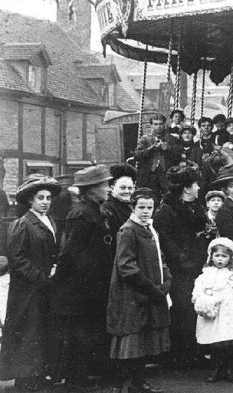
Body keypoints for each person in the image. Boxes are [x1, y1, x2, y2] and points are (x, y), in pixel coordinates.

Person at [51, 165, 114, 390]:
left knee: (87, 334)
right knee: (80, 336)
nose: (108, 188)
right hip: (80, 288)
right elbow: (70, 253)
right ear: (92, 189)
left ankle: (81, 378)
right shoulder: (82, 214)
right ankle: (76, 383)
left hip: (91, 287)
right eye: (104, 184)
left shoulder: (95, 210)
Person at [106, 188, 171, 393]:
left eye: (149, 207)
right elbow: (126, 266)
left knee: (143, 340)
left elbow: (161, 259)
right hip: (133, 294)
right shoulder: (128, 231)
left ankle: (137, 383)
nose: (146, 211)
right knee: (131, 340)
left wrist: (167, 280)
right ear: (132, 208)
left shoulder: (150, 229)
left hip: (150, 292)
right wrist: (152, 289)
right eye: (141, 207)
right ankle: (121, 384)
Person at [0, 174, 61, 391]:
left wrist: (53, 270)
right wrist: (40, 278)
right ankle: (24, 380)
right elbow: (18, 259)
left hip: (43, 288)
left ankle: (37, 375)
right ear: (30, 201)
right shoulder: (22, 224)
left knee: (40, 331)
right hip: (27, 291)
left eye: (48, 198)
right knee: (28, 333)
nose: (45, 201)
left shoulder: (49, 221)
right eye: (40, 198)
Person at [153, 165, 208, 368]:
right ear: (186, 188)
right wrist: (184, 261)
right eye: (195, 185)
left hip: (197, 264)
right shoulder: (166, 210)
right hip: (180, 268)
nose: (198, 188)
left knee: (193, 309)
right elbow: (166, 241)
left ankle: (193, 351)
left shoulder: (195, 206)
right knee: (181, 310)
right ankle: (180, 354)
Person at [192, 237, 233, 384]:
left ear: (231, 257)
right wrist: (203, 300)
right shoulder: (205, 276)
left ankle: (231, 370)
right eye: (217, 256)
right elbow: (197, 293)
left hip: (231, 314)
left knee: (231, 343)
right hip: (215, 315)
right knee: (216, 344)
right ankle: (215, 369)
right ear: (211, 257)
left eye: (224, 256)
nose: (220, 259)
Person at [133, 113, 172, 194]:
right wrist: (151, 148)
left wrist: (168, 149)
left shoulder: (171, 139)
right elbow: (136, 155)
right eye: (156, 124)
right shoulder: (145, 139)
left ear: (164, 124)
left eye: (161, 124)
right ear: (151, 125)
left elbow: (177, 156)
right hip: (148, 175)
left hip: (166, 175)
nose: (158, 126)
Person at [101, 163, 138, 240]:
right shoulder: (107, 209)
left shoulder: (135, 207)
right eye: (123, 188)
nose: (127, 191)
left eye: (130, 188)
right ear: (112, 188)